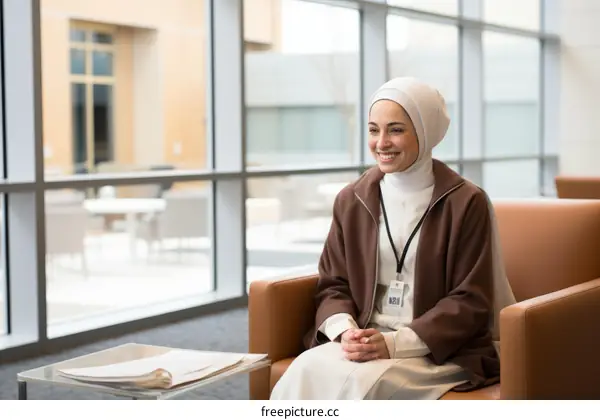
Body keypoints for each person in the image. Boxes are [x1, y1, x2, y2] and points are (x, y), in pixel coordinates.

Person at [269, 77, 516, 400]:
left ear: (425, 132)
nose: (381, 142)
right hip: (365, 337)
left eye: (396, 129)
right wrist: (346, 332)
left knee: (363, 385)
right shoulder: (352, 199)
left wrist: (394, 343)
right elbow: (333, 284)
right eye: (374, 130)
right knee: (304, 371)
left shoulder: (466, 202)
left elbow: (471, 300)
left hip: (435, 349)